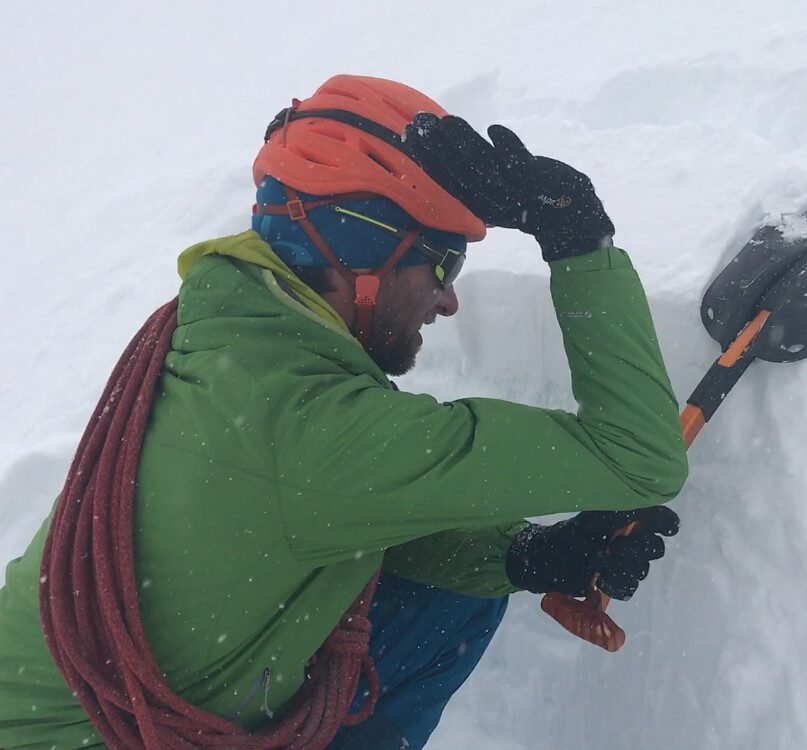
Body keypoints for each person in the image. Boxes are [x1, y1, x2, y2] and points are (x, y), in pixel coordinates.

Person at [0, 74, 688, 750]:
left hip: (99, 698)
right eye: (441, 262)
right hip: (113, 735)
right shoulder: (319, 433)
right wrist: (576, 237)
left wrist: (526, 556)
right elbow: (638, 457)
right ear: (361, 255)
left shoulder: (224, 332)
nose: (449, 300)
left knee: (458, 598)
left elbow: (320, 507)